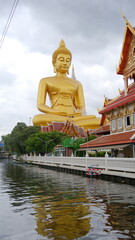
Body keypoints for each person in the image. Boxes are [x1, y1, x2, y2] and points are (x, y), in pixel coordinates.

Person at [33, 40, 100, 129]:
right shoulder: (45, 81)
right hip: (56, 115)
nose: (65, 63)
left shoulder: (77, 83)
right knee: (37, 119)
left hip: (73, 116)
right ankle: (71, 123)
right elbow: (40, 105)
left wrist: (77, 113)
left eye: (68, 60)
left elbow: (81, 107)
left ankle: (69, 123)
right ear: (54, 63)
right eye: (61, 60)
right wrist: (56, 113)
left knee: (100, 120)